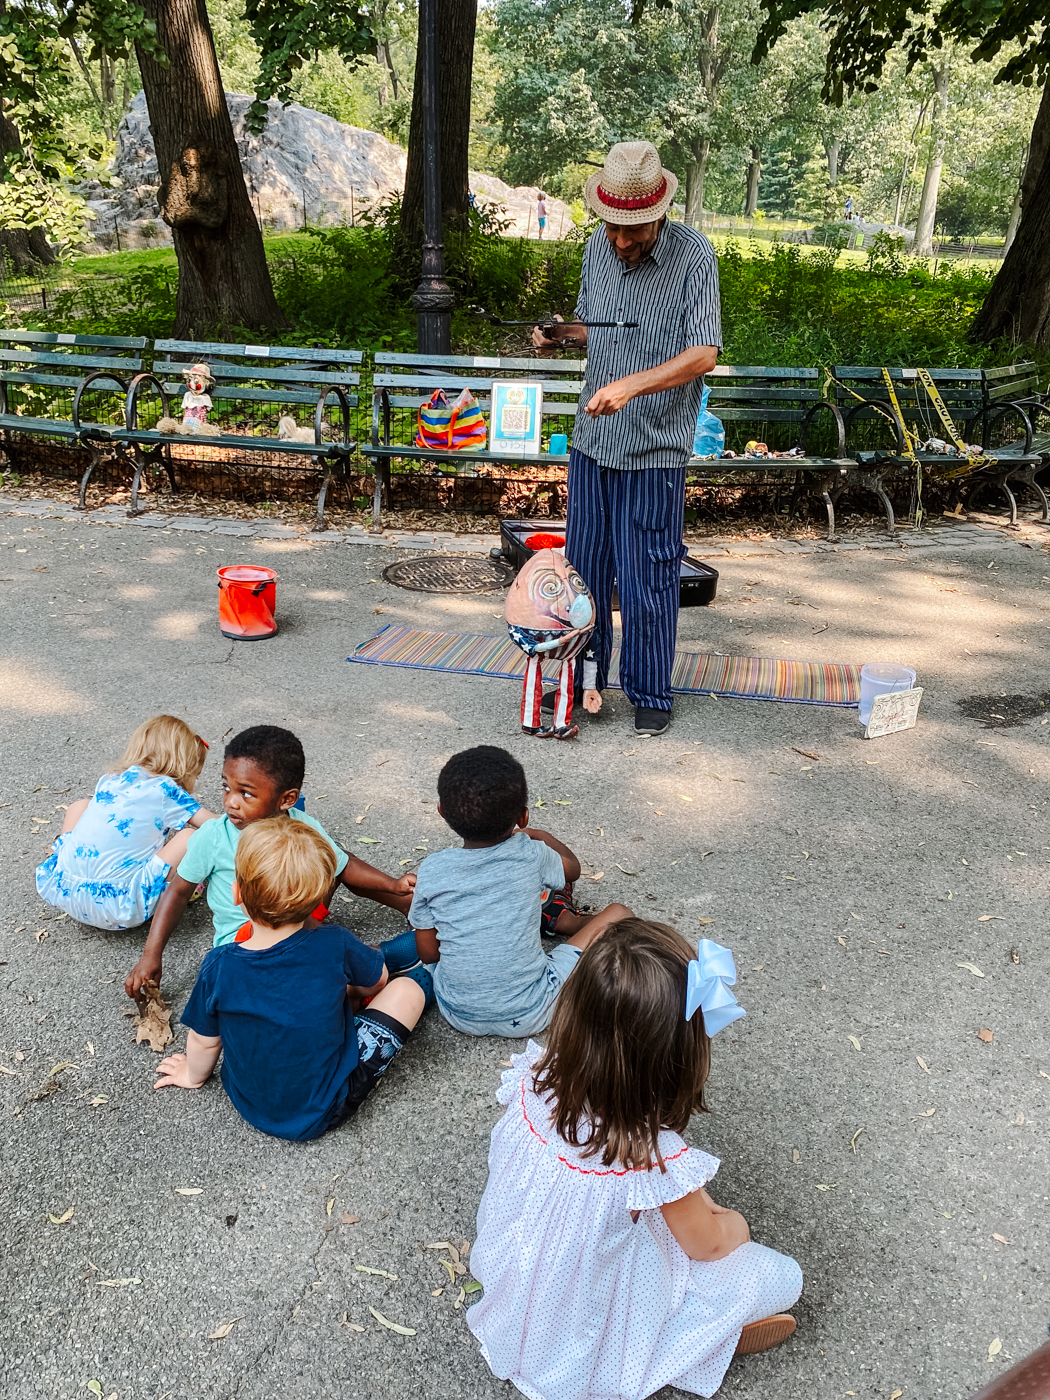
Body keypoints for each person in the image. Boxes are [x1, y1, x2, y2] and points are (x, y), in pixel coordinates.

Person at [467, 920, 803, 1398]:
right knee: (779, 1276)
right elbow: (707, 1245)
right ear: (676, 1058)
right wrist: (734, 1224)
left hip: (519, 1274)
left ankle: (706, 1332)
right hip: (581, 1310)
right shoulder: (649, 1156)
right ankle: (700, 1337)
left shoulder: (534, 1082)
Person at [533, 140, 722, 737]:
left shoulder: (694, 257)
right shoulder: (596, 248)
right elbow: (596, 328)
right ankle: (583, 680)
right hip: (594, 443)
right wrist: (561, 333)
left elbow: (704, 353)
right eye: (614, 226)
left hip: (656, 446)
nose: (620, 240)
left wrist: (633, 386)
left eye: (634, 229)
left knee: (650, 571)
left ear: (659, 212)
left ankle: (648, 688)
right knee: (583, 570)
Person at [153, 817, 433, 1140]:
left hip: (249, 1101)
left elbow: (205, 1040)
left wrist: (192, 1074)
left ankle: (375, 960)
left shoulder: (218, 965)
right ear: (316, 903)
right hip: (327, 1105)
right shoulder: (334, 942)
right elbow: (379, 983)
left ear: (237, 894)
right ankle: (423, 974)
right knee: (407, 990)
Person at [124, 724, 416, 1000]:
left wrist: (394, 885)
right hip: (245, 941)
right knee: (317, 973)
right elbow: (177, 891)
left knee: (331, 860)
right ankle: (380, 959)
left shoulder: (304, 827)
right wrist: (151, 954)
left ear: (287, 799)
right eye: (226, 787)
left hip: (298, 922)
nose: (230, 803)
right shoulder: (213, 837)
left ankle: (404, 909)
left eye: (246, 793)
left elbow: (344, 866)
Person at [388, 745, 631, 1037]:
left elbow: (428, 953)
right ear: (524, 816)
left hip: (457, 1012)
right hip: (533, 1010)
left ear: (442, 812)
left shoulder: (432, 869)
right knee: (620, 914)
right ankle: (564, 920)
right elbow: (573, 870)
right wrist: (540, 836)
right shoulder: (531, 852)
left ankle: (556, 919)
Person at [36, 714, 219, 931]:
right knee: (189, 837)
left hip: (65, 893)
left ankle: (64, 855)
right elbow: (213, 824)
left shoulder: (110, 779)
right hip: (120, 908)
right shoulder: (167, 791)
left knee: (80, 805)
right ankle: (183, 887)